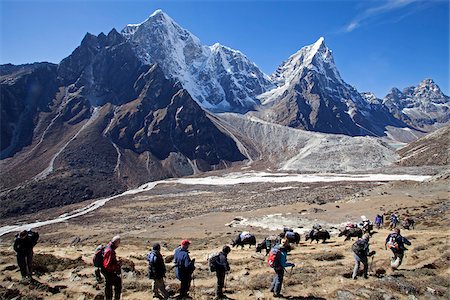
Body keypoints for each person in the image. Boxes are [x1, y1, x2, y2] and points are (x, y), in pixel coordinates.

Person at [102, 235, 122, 300]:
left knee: (108, 286)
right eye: (118, 243)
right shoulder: (110, 251)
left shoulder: (108, 247)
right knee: (117, 284)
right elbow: (107, 265)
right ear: (116, 242)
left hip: (106, 271)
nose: (118, 245)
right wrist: (117, 265)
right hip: (108, 272)